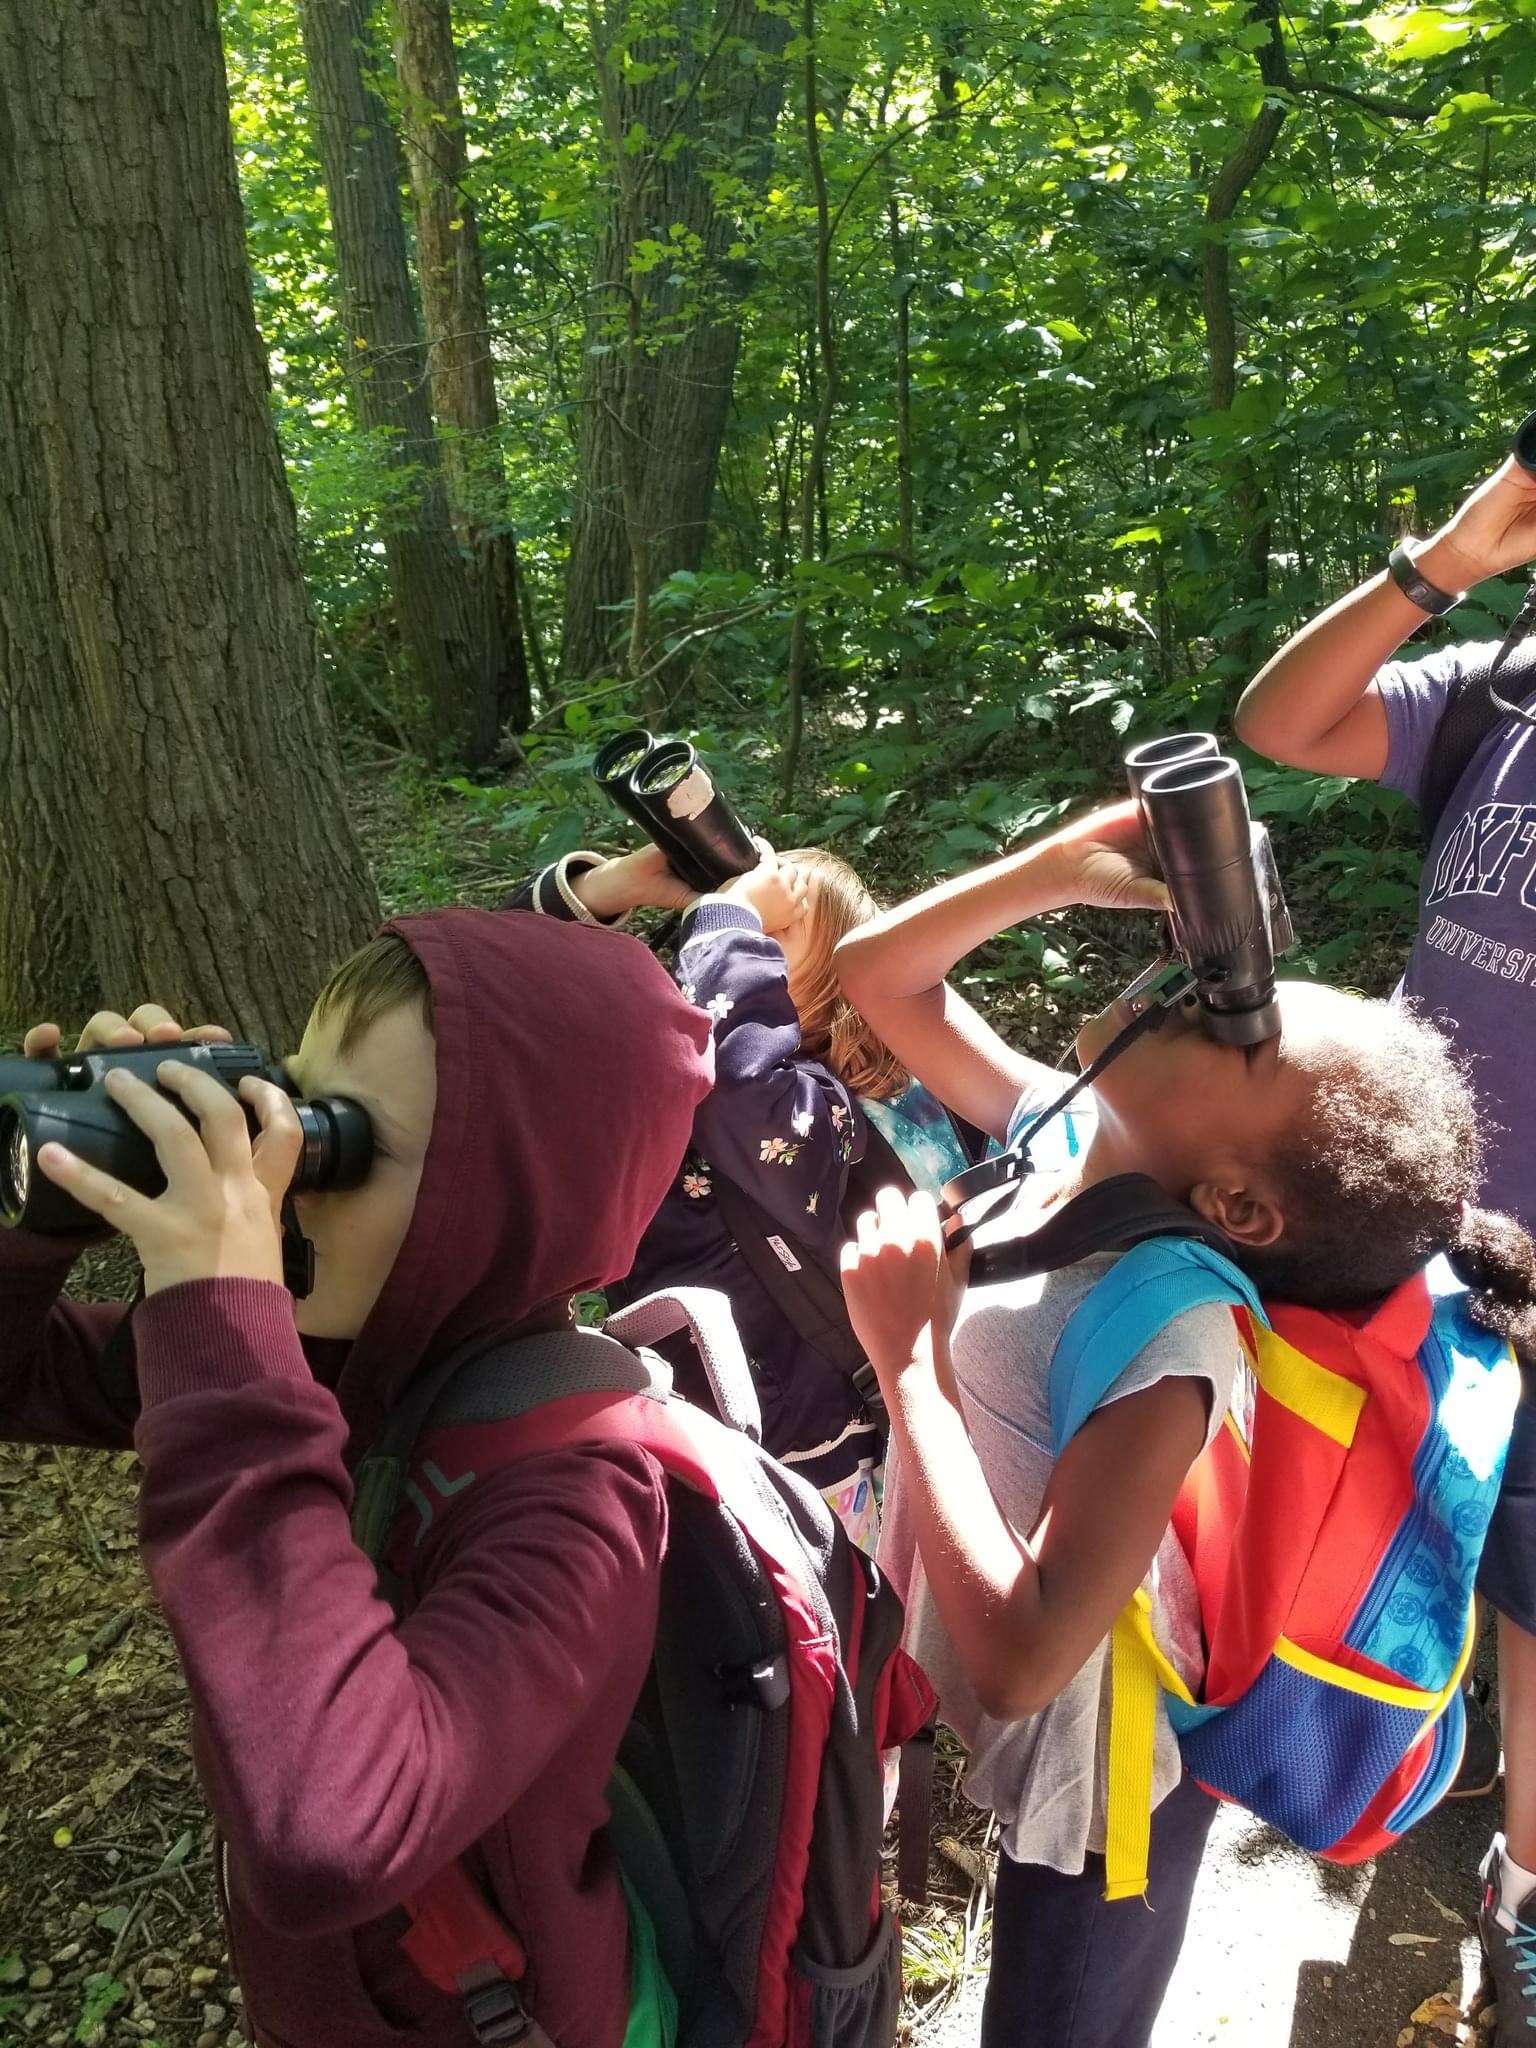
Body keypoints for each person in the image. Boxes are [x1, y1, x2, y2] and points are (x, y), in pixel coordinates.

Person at [833, 803, 1536, 2048]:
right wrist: (1054, 867)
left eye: (1240, 1036)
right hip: (1040, 1712)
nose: (1202, 1002)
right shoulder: (1080, 1137)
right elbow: (881, 978)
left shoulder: (1177, 1335)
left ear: (1239, 1205)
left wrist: (914, 1368)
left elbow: (1027, 1654)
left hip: (1117, 1780)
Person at [0, 909, 714, 2048]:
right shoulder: (326, 1358)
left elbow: (332, 1830)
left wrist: (220, 1329)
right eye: (283, 1101)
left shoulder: (582, 1490)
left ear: (502, 1206)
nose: (280, 1172)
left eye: (339, 1143)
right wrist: (45, 1214)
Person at [1234, 450, 1536, 2040]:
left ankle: (1519, 1890)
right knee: (1387, 1524)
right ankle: (1380, 1748)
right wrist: (1457, 559)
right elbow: (1278, 725)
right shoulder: (1501, 691)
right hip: (1413, 1240)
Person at [511, 840, 974, 1546]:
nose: (740, 932)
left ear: (841, 981)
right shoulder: (675, 1070)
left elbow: (742, 1086)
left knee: (839, 1643)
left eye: (775, 928)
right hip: (701, 1436)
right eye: (739, 921)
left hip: (812, 1460)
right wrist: (606, 890)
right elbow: (494, 1000)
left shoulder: (832, 1113)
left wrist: (729, 919)